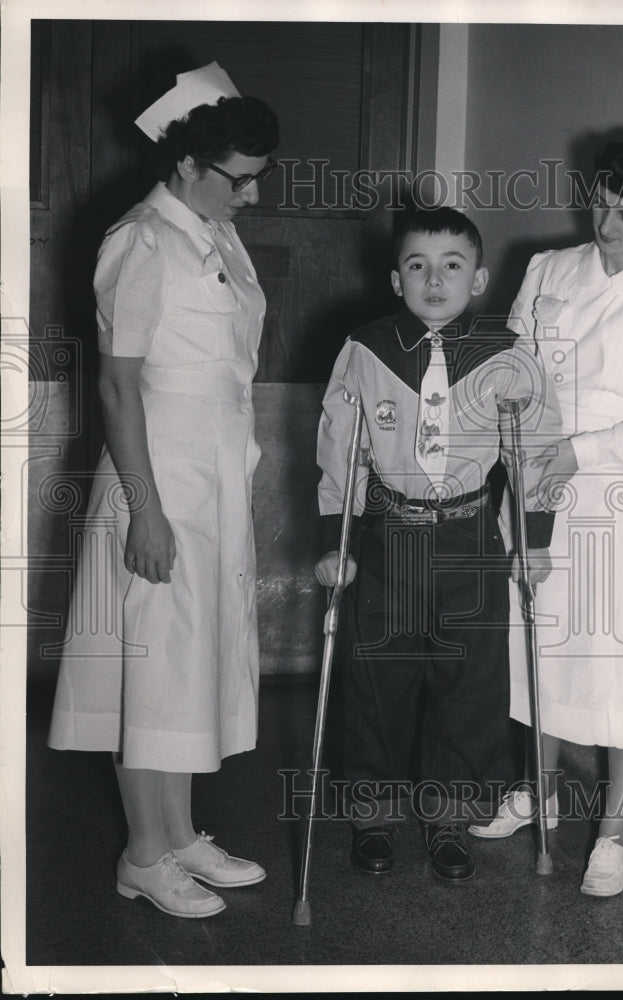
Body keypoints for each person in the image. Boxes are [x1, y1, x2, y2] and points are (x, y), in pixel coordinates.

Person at [48, 63, 280, 918]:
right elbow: (116, 387)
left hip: (209, 477)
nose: (251, 196)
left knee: (188, 663)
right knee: (150, 668)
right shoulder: (141, 240)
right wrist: (145, 510)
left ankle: (178, 834)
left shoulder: (210, 235)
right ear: (186, 166)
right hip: (157, 483)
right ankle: (142, 855)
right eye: (239, 179)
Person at [467, 132, 623, 898]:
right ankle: (534, 791)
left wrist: (581, 451)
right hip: (533, 481)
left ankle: (613, 835)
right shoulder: (548, 270)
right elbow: (510, 364)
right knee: (536, 644)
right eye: (601, 207)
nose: (607, 226)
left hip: (617, 496)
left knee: (622, 663)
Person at [314, 206, 561, 883]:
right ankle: (373, 812)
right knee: (377, 677)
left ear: (477, 278)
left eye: (451, 265)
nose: (433, 278)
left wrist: (532, 541)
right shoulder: (365, 349)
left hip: (468, 537)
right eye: (416, 265)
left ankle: (449, 815)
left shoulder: (506, 355)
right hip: (387, 536)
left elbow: (534, 452)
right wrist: (334, 540)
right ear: (395, 279)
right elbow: (339, 448)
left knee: (468, 683)